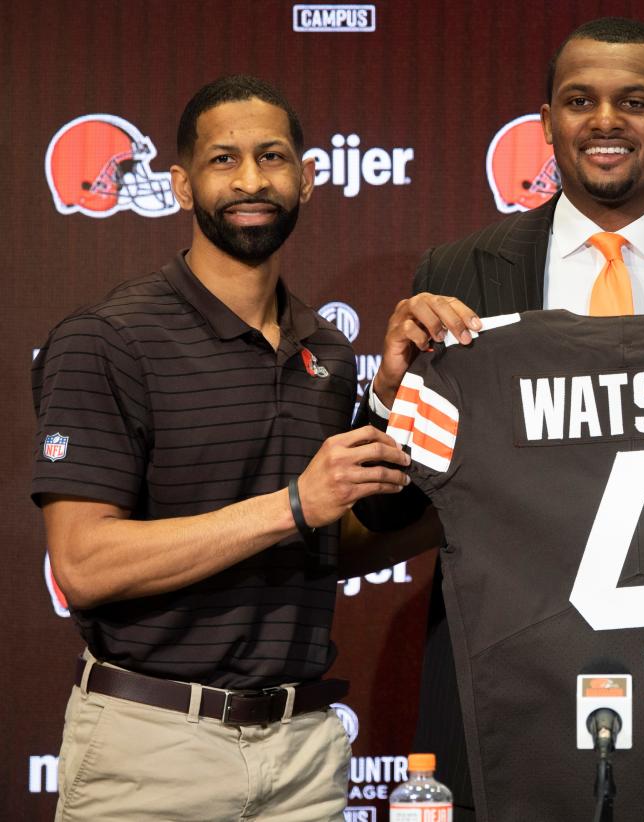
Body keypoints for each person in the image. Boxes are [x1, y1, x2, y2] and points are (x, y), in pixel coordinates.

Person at [354, 17, 644, 818]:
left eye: (634, 101)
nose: (604, 121)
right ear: (545, 120)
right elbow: (389, 507)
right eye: (579, 100)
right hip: (517, 679)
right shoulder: (458, 274)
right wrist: (389, 389)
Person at [31, 75, 429, 822]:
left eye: (273, 157)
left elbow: (325, 546)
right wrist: (291, 506)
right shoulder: (108, 339)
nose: (252, 180)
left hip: (305, 751)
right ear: (181, 184)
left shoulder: (327, 350)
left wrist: (460, 488)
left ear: (308, 179)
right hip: (154, 750)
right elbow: (82, 566)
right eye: (224, 160)